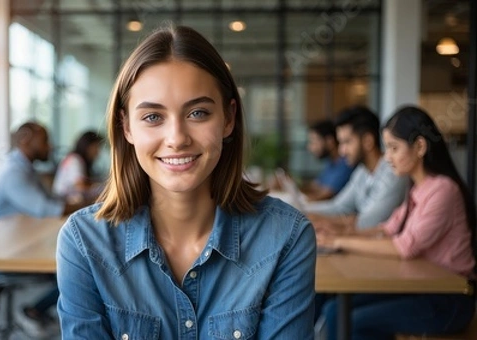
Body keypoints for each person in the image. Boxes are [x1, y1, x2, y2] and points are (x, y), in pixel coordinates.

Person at [56, 25, 316, 339]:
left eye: (198, 112)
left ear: (228, 119)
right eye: (153, 117)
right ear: (126, 127)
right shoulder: (84, 243)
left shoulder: (285, 237)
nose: (177, 138)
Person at [317, 105, 477, 340]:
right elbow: (387, 229)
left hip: (449, 299)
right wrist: (335, 236)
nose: (387, 157)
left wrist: (339, 240)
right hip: (421, 287)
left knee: (353, 321)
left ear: (420, 147)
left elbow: (405, 246)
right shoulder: (418, 188)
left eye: (394, 148)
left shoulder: (443, 190)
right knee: (334, 310)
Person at [0, 122, 82, 338]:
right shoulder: (13, 172)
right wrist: (92, 205)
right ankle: (34, 311)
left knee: (75, 263)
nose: (50, 147)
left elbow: (51, 201)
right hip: (2, 257)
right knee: (77, 268)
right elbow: (48, 209)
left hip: (19, 245)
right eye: (44, 140)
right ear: (25, 140)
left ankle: (41, 312)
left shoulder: (25, 168)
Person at [305, 106, 408, 232]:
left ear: (367, 141)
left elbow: (370, 222)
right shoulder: (362, 171)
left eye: (347, 142)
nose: (341, 151)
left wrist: (315, 218)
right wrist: (299, 211)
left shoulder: (393, 172)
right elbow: (339, 207)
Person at [302, 119, 355, 201]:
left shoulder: (347, 163)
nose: (310, 148)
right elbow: (315, 186)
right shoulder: (331, 163)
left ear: (330, 141)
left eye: (314, 141)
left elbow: (327, 194)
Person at [52, 130, 104, 204]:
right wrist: (99, 187)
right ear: (88, 146)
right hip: (64, 203)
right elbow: (81, 186)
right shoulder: (74, 161)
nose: (98, 152)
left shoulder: (75, 159)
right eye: (96, 147)